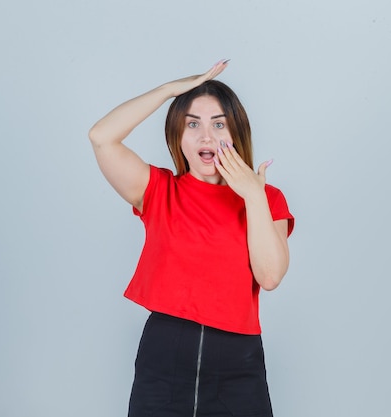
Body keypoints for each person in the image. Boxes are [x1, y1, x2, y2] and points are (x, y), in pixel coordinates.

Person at [88, 60, 294, 417]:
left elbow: (270, 276)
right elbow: (101, 137)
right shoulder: (157, 190)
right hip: (164, 356)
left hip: (238, 364)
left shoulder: (267, 198)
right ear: (177, 137)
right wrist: (170, 90)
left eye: (218, 124)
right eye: (192, 125)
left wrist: (253, 196)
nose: (206, 137)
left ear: (235, 132)